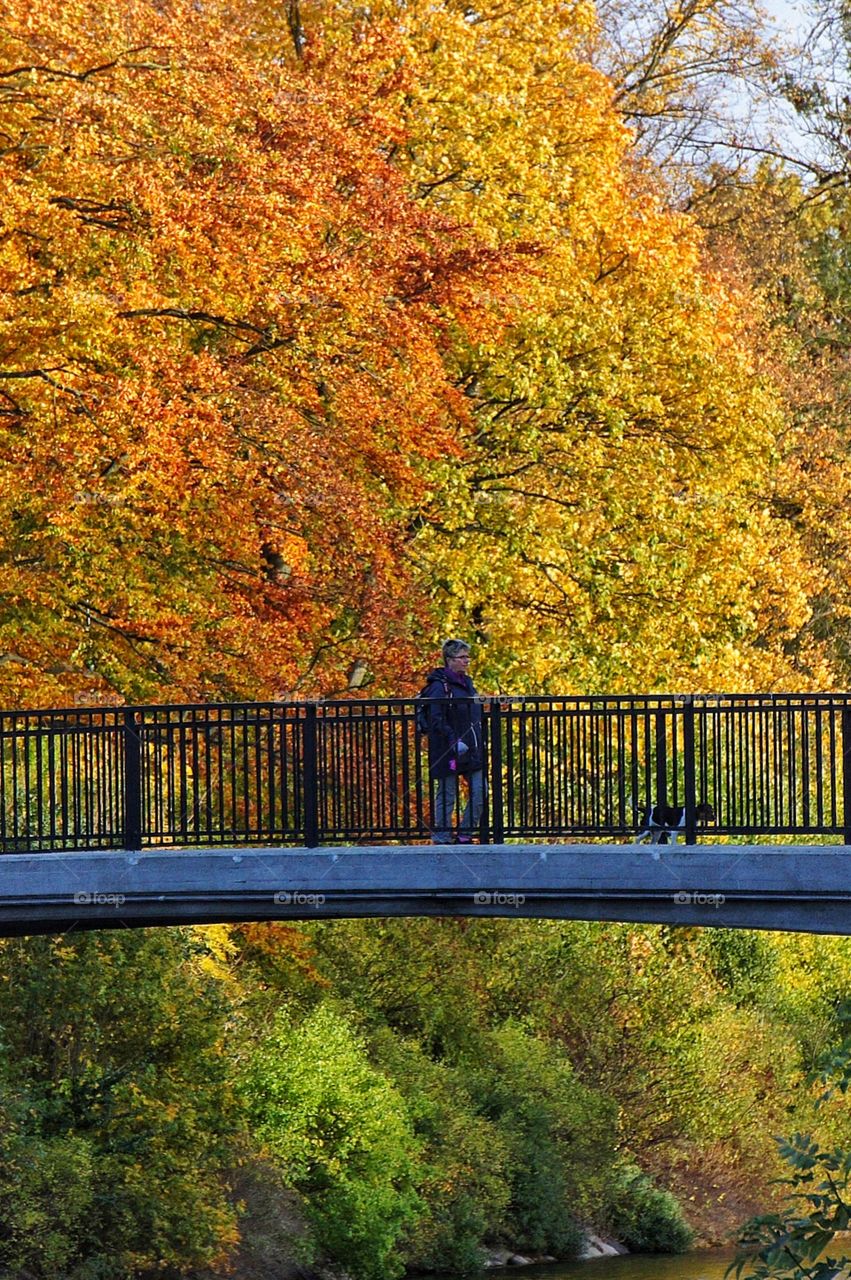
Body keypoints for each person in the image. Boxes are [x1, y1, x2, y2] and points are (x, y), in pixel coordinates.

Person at [423, 639, 485, 844]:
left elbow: (474, 716)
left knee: (480, 790)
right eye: (462, 657)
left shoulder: (468, 684)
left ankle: (465, 834)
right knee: (447, 793)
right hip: (449, 752)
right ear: (449, 660)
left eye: (468, 657)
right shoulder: (439, 687)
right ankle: (442, 836)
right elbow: (436, 719)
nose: (467, 661)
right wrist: (453, 741)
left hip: (471, 750)